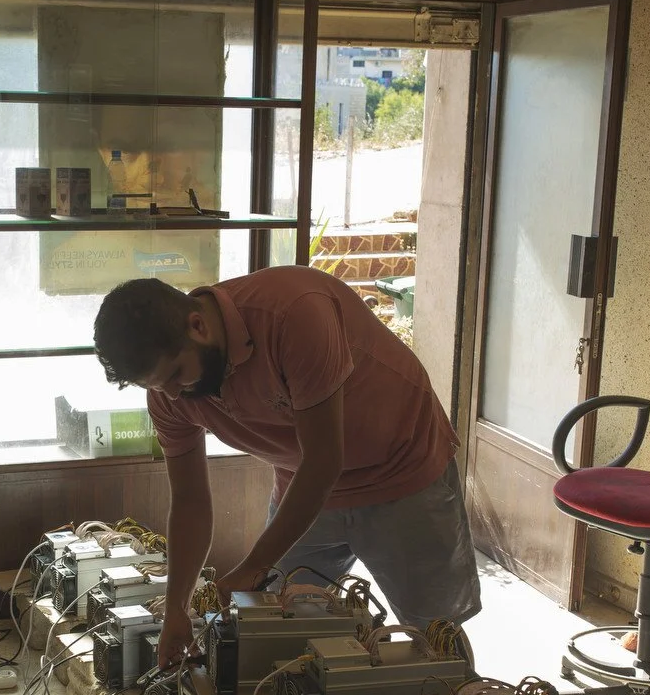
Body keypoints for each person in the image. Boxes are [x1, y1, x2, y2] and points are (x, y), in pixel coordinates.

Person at [92, 265, 482, 670]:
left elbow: (324, 460)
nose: (173, 394)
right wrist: (176, 608)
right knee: (277, 625)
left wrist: (255, 564)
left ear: (198, 326)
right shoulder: (170, 395)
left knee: (434, 638)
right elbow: (190, 501)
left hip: (401, 472)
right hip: (304, 489)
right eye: (157, 387)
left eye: (175, 375)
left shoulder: (294, 313)